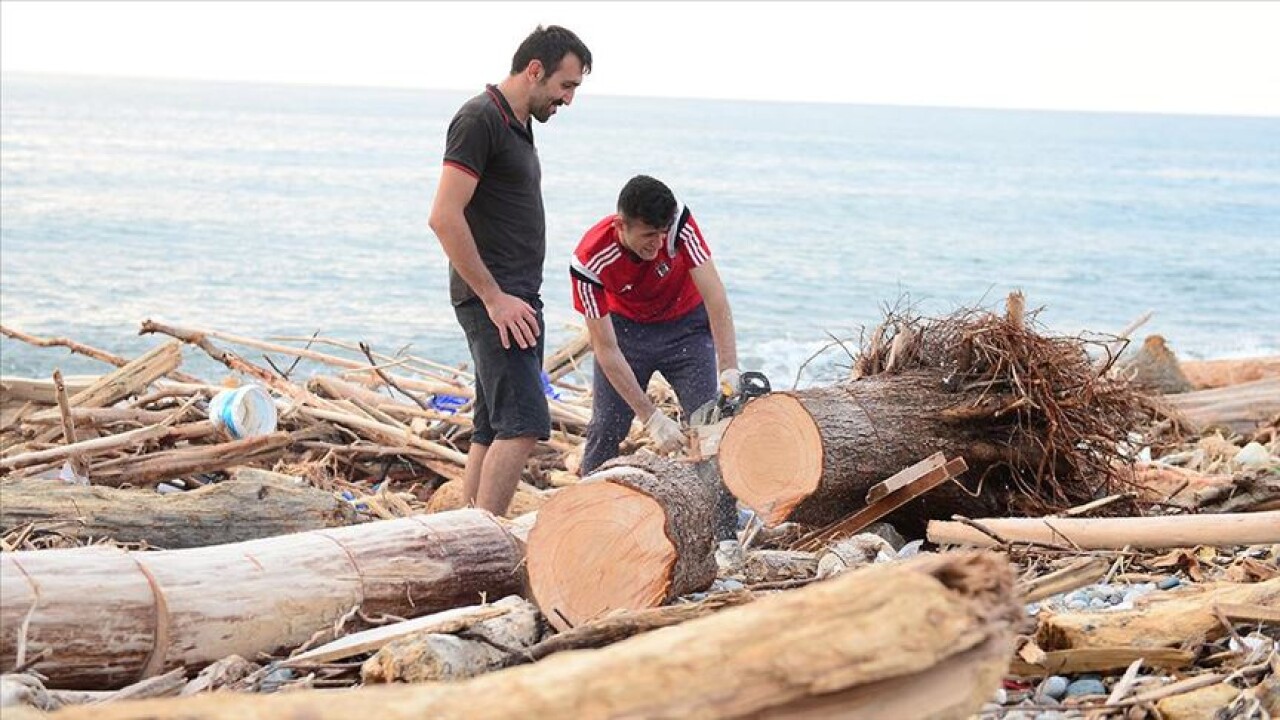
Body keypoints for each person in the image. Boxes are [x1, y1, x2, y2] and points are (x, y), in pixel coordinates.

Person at [428, 25, 592, 516]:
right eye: (566, 86)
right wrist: (494, 298)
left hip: (513, 295)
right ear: (535, 70)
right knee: (522, 425)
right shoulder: (480, 119)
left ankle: (466, 532)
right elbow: (443, 216)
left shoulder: (517, 123)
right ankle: (488, 543)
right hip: (496, 299)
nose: (568, 100)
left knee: (491, 425)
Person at [570, 175, 742, 538]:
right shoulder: (589, 261)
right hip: (626, 336)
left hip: (686, 329)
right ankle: (585, 523)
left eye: (662, 233)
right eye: (649, 235)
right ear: (621, 225)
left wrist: (729, 368)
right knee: (605, 428)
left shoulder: (679, 226)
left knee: (706, 427)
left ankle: (724, 534)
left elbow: (716, 298)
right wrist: (650, 417)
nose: (659, 243)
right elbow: (605, 347)